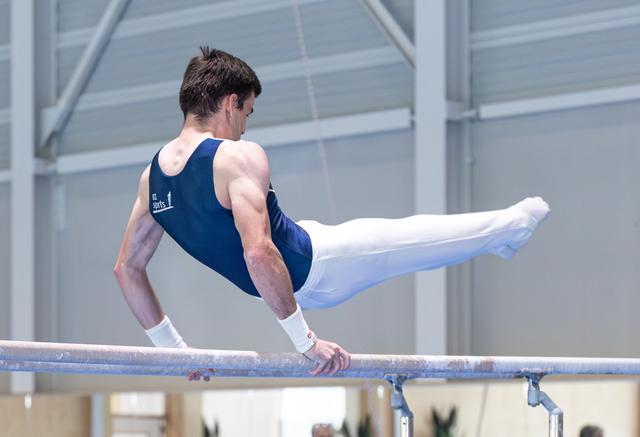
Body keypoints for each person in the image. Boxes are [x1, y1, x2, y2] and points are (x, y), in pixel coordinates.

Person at [113, 47, 550, 377]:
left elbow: (126, 270)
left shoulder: (150, 179)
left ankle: (511, 228)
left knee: (411, 238)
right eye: (247, 111)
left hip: (303, 266)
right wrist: (306, 342)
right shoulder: (236, 156)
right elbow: (258, 254)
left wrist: (173, 352)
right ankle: (511, 228)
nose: (246, 124)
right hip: (316, 267)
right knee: (415, 239)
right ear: (230, 102)